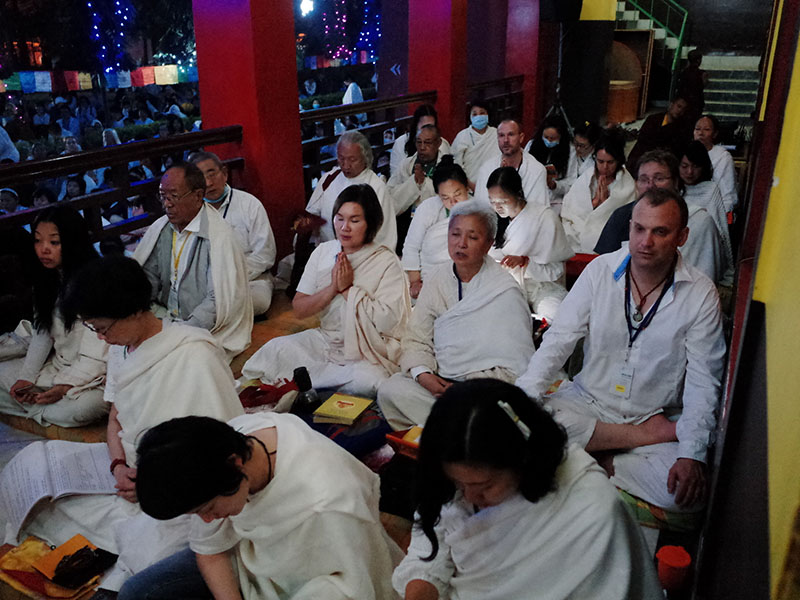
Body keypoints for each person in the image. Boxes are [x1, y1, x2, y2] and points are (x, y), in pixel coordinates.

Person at [19, 255, 244, 592]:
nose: (102, 338)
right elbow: (115, 416)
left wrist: (151, 487)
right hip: (127, 472)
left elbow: (218, 455)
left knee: (155, 550)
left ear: (136, 310)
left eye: (103, 328)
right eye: (94, 330)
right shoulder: (120, 348)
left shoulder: (193, 354)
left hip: (181, 485)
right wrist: (118, 465)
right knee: (37, 473)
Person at [517, 188, 726, 513]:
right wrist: (523, 402)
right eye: (639, 229)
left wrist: (691, 454)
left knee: (685, 494)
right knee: (522, 433)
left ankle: (599, 460)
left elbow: (704, 380)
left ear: (682, 236)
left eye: (660, 232)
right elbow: (558, 340)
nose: (645, 242)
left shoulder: (700, 294)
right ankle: (635, 439)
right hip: (590, 404)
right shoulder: (600, 271)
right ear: (630, 227)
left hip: (653, 413)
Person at [393, 379, 663, 600]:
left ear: (523, 462)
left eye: (484, 486)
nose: (469, 497)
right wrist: (422, 585)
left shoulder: (591, 510)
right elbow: (434, 535)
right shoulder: (454, 482)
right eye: (458, 483)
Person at [118, 413, 402, 600]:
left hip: (317, 584)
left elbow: (353, 587)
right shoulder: (233, 442)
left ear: (235, 464)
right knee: (135, 592)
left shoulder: (329, 499)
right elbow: (210, 551)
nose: (206, 520)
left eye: (208, 508)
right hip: (246, 560)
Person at [377, 199, 534, 430]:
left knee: (492, 410)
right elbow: (416, 338)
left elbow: (517, 366)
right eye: (455, 234)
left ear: (489, 244)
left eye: (473, 237)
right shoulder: (437, 279)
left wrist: (467, 388)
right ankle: (461, 428)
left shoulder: (505, 291)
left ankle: (449, 428)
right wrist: (423, 375)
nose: (461, 244)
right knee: (391, 389)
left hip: (481, 390)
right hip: (440, 384)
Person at [243, 184, 410, 397]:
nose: (344, 227)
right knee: (275, 349)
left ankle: (309, 383)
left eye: (354, 220)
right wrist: (333, 288)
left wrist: (348, 289)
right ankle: (323, 384)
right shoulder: (323, 251)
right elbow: (300, 308)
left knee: (368, 380)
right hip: (326, 340)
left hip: (368, 350)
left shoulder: (386, 261)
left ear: (371, 223)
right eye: (339, 218)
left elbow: (388, 321)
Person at [0, 206, 108, 427]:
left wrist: (64, 386)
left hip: (93, 373)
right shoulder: (47, 279)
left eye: (54, 242)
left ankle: (38, 410)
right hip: (57, 365)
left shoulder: (96, 281)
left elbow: (98, 353)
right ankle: (45, 409)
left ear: (73, 242)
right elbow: (43, 333)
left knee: (86, 407)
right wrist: (26, 378)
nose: (43, 250)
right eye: (38, 241)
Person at [133, 163, 253, 361]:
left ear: (198, 196)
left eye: (173, 196)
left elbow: (216, 301)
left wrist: (182, 333)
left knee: (180, 362)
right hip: (163, 316)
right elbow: (148, 278)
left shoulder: (219, 236)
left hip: (199, 326)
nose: (167, 204)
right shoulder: (161, 229)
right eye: (162, 196)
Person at [594, 150, 727, 285]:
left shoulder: (699, 221)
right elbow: (604, 270)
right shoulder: (622, 215)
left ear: (676, 182)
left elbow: (703, 280)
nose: (651, 185)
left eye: (659, 179)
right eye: (644, 179)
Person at [190, 151, 277, 316]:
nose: (208, 183)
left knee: (259, 301)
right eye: (201, 178)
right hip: (207, 282)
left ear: (224, 173)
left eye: (212, 174)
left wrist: (230, 276)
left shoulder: (250, 204)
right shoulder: (191, 212)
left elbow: (265, 255)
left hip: (250, 278)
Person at [486, 167, 572, 321]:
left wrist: (525, 263)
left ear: (518, 194)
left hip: (542, 288)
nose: (497, 207)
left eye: (503, 201)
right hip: (506, 287)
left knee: (555, 314)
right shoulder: (493, 220)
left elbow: (556, 269)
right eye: (492, 202)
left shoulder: (544, 217)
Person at [305, 130, 397, 250]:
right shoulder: (329, 179)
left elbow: (384, 235)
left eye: (352, 160)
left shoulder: (376, 187)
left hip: (363, 255)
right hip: (327, 251)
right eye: (341, 158)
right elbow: (312, 214)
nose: (346, 165)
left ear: (365, 158)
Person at [402, 156, 469, 299]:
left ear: (467, 188)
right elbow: (411, 246)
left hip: (467, 282)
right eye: (445, 198)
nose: (453, 202)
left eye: (458, 194)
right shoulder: (428, 208)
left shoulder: (478, 210)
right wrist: (415, 282)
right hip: (428, 279)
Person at [560, 131, 636, 253]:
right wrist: (595, 202)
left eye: (610, 162)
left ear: (618, 161)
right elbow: (572, 209)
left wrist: (605, 204)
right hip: (579, 223)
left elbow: (622, 217)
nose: (605, 167)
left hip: (607, 229)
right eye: (600, 161)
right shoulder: (587, 177)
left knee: (596, 238)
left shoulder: (626, 184)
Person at [680, 141, 734, 286]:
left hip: (703, 249)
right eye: (684, 166)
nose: (689, 172)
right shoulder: (674, 189)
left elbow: (721, 230)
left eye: (695, 167)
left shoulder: (710, 190)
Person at [472, 119, 548, 208]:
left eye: (511, 134)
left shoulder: (536, 170)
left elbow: (538, 209)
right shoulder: (486, 168)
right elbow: (480, 207)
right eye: (501, 135)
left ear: (521, 137)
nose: (506, 140)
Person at [625, 97, 692, 177]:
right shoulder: (653, 119)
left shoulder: (682, 128)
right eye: (679, 106)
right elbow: (642, 140)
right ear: (671, 105)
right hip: (644, 153)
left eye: (683, 109)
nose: (680, 111)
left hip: (663, 159)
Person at [526, 115, 575, 213]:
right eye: (546, 137)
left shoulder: (570, 151)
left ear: (561, 137)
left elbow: (571, 182)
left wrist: (555, 185)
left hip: (555, 202)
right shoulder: (532, 145)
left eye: (553, 138)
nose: (548, 141)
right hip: (531, 197)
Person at [389, 104, 451, 177]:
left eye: (430, 127)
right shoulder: (400, 143)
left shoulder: (442, 144)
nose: (426, 131)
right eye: (423, 127)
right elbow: (395, 176)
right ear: (416, 126)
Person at [449, 99, 499, 189]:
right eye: (475, 114)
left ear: (488, 115)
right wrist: (469, 184)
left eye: (482, 113)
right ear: (470, 117)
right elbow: (455, 164)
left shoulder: (496, 134)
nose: (478, 116)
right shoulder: (462, 136)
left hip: (494, 186)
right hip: (467, 188)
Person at [693, 114, 738, 213]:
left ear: (715, 134)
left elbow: (727, 196)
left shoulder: (722, 157)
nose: (700, 133)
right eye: (697, 129)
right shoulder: (687, 154)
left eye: (706, 129)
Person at [677, 49, 709, 125]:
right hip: (696, 102)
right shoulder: (702, 74)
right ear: (698, 60)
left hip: (685, 101)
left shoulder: (683, 72)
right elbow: (703, 85)